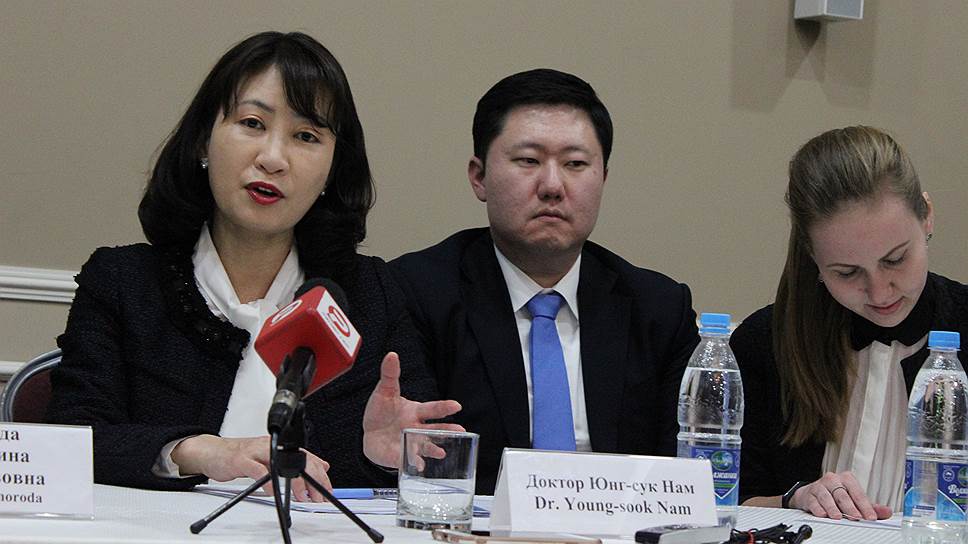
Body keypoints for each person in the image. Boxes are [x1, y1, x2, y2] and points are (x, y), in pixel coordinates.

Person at [45, 31, 460, 499]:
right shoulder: (123, 282)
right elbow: (72, 440)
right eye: (252, 123)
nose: (273, 158)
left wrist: (378, 455)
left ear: (332, 170)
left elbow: (419, 464)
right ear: (203, 142)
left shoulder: (371, 293)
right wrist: (194, 451)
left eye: (306, 136)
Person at [390, 69, 699, 494]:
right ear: (479, 176)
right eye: (528, 161)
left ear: (603, 178)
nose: (553, 186)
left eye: (576, 164)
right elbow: (415, 458)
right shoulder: (416, 292)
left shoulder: (659, 309)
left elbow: (686, 476)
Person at [731, 126, 968, 520]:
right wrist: (794, 500)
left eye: (895, 260)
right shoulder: (764, 344)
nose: (879, 292)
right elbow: (720, 501)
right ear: (813, 258)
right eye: (846, 272)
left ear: (927, 216)